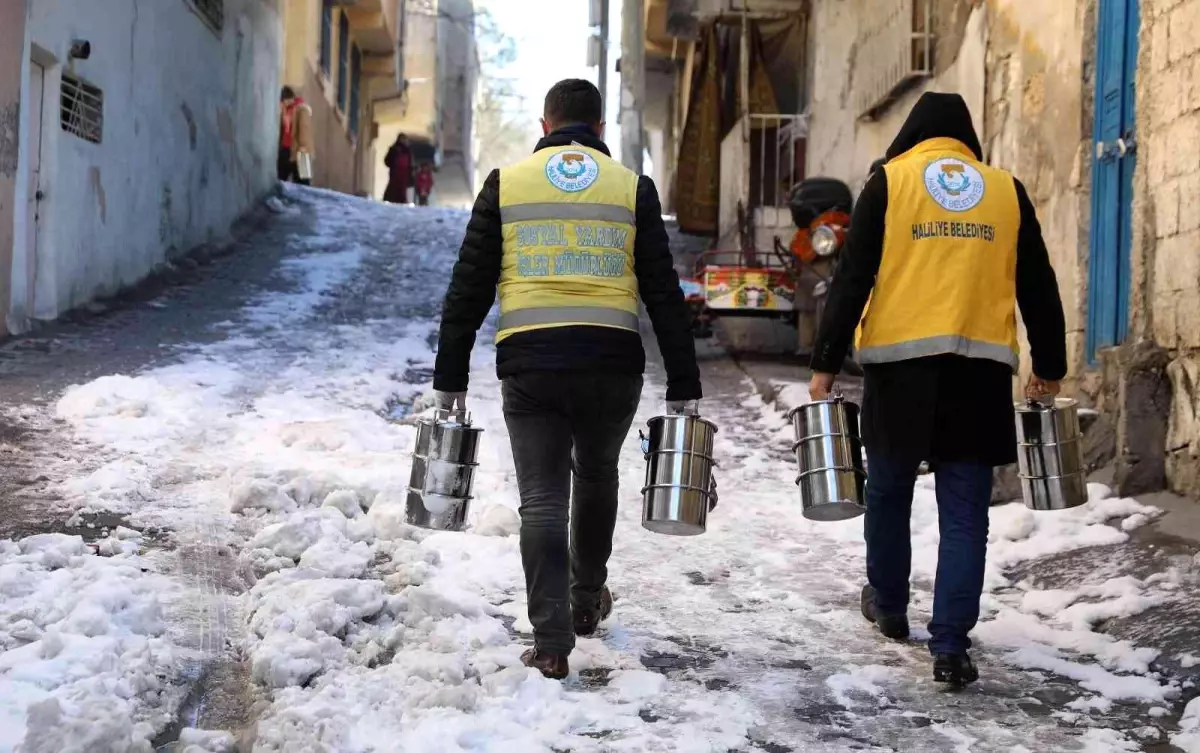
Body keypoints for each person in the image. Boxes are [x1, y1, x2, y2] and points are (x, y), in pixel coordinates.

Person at [432, 78, 702, 680]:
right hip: (611, 364)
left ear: (545, 124)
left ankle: (552, 642)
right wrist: (683, 380)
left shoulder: (508, 184)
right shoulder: (632, 188)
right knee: (598, 473)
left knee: (544, 499)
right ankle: (586, 601)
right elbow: (663, 291)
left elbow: (469, 285)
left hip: (531, 366)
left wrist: (449, 375)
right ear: (599, 129)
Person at [808, 92, 1067, 687]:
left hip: (900, 372)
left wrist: (825, 361)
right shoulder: (1005, 190)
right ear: (966, 139)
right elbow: (1038, 281)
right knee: (964, 514)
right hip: (977, 374)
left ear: (913, 134)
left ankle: (892, 607)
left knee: (890, 493)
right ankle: (950, 644)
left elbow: (852, 279)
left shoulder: (890, 182)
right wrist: (1049, 363)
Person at [278, 86, 313, 186]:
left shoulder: (301, 109)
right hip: (286, 148)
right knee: (281, 177)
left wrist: (303, 146)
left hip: (300, 150)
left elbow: (304, 128)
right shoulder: (285, 110)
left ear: (287, 100)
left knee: (303, 182)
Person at [383, 134, 413, 204]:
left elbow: (409, 164)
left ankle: (400, 202)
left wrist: (410, 174)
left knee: (401, 190)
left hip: (404, 174)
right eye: (403, 139)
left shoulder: (407, 150)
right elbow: (387, 161)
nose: (404, 141)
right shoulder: (394, 149)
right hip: (395, 173)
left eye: (405, 139)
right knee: (394, 189)